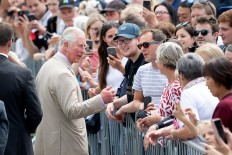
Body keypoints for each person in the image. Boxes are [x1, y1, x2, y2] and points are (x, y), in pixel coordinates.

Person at [34, 27, 115, 155]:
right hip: (64, 145)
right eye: (80, 46)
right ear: (66, 45)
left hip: (52, 142)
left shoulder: (48, 66)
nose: (84, 50)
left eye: (84, 46)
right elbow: (72, 110)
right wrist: (101, 99)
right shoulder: (63, 74)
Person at [0, 22, 43, 155]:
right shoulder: (22, 74)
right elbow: (35, 113)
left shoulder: (22, 73)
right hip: (16, 141)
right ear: (10, 42)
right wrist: (24, 128)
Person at [202, 57, 232, 132]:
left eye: (208, 78)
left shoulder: (224, 106)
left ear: (220, 77)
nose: (206, 84)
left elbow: (214, 135)